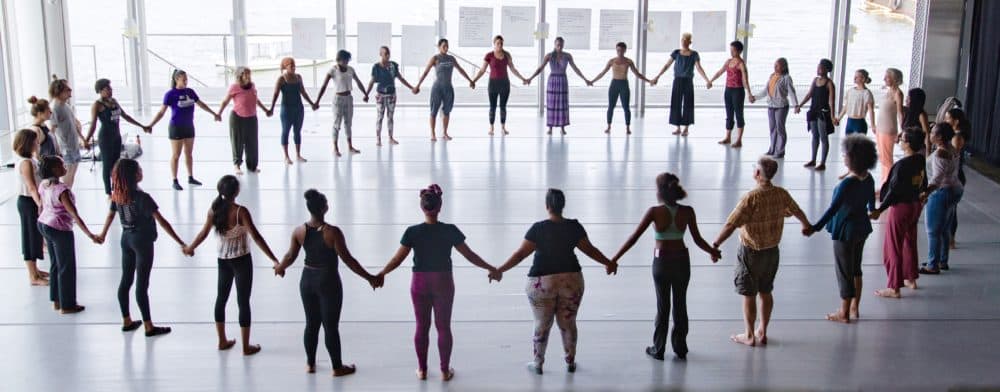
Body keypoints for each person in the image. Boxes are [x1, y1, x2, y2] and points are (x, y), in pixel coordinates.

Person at [376, 185, 498, 381]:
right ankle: (444, 370)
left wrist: (381, 273)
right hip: (443, 281)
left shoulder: (412, 232)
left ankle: (422, 370)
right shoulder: (450, 231)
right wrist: (490, 267)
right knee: (443, 327)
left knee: (421, 326)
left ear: (422, 208)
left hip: (420, 282)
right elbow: (470, 255)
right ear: (440, 207)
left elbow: (397, 260)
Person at [495, 189, 617, 375]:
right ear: (562, 206)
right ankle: (570, 361)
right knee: (568, 322)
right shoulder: (574, 227)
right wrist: (608, 262)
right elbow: (590, 250)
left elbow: (520, 255)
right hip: (572, 280)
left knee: (541, 324)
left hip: (542, 282)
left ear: (547, 206)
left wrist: (500, 270)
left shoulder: (538, 228)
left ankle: (538, 363)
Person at [609, 174, 721, 360]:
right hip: (682, 261)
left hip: (661, 263)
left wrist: (614, 259)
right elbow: (698, 239)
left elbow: (634, 238)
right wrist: (713, 252)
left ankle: (658, 348)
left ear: (660, 191)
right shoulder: (687, 211)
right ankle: (680, 347)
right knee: (680, 305)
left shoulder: (654, 212)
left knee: (663, 307)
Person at [274, 190, 381, 377]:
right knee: (330, 326)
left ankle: (310, 364)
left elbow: (290, 255)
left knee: (311, 324)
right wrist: (370, 277)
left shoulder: (300, 231)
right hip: (328, 281)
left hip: (307, 280)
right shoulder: (332, 233)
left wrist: (280, 267)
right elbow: (349, 260)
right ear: (325, 208)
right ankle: (337, 367)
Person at [711, 157, 811, 346]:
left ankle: (749, 335)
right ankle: (762, 331)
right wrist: (805, 225)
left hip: (751, 252)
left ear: (757, 174)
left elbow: (731, 224)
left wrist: (715, 245)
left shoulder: (751, 197)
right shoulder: (781, 194)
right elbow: (796, 210)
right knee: (766, 290)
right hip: (772, 252)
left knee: (749, 293)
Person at [184, 175, 280, 355]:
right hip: (242, 260)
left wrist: (191, 247)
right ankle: (246, 346)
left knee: (221, 299)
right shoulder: (240, 212)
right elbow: (256, 237)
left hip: (223, 260)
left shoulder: (214, 210)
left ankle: (222, 340)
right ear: (236, 192)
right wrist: (274, 260)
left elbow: (203, 233)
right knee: (243, 302)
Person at [95, 158, 187, 336]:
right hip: (142, 240)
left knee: (126, 281)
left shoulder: (118, 194)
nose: (141, 171)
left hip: (126, 238)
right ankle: (148, 325)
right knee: (142, 285)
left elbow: (110, 216)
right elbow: (163, 222)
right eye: (139, 170)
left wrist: (103, 235)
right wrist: (181, 243)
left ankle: (126, 320)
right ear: (133, 175)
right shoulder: (142, 198)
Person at [807, 135, 878, 323]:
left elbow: (833, 209)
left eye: (846, 154)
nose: (844, 157)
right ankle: (855, 307)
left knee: (844, 270)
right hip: (862, 228)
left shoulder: (846, 184)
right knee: (856, 269)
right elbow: (871, 205)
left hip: (845, 230)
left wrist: (815, 227)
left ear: (853, 159)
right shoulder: (868, 179)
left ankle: (844, 312)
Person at [36, 155, 101, 314]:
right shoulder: (61, 190)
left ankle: (57, 300)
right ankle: (68, 304)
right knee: (66, 266)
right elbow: (74, 215)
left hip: (44, 224)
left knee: (55, 264)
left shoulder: (44, 185)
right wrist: (91, 235)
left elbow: (41, 205)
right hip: (59, 229)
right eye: (60, 165)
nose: (64, 166)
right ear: (53, 169)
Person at [870, 128, 926, 298]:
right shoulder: (919, 160)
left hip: (901, 208)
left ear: (908, 144)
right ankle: (910, 277)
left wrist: (880, 209)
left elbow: (893, 191)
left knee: (893, 246)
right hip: (915, 205)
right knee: (909, 241)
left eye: (902, 139)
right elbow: (924, 181)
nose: (899, 141)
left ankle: (894, 286)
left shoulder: (901, 165)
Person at [146, 70, 221, 190]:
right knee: (176, 155)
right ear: (177, 79)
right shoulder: (170, 94)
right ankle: (174, 179)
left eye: (186, 79)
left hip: (189, 126)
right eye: (183, 79)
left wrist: (214, 113)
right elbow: (161, 112)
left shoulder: (190, 92)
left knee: (189, 153)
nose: (186, 81)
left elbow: (201, 104)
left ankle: (190, 177)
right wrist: (151, 125)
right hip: (176, 127)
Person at [84, 79, 149, 195]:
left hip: (116, 136)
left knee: (116, 163)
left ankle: (117, 187)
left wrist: (142, 125)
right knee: (107, 164)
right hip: (105, 137)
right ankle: (108, 192)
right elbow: (93, 124)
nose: (110, 91)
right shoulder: (98, 105)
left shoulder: (114, 101)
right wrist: (87, 139)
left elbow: (125, 116)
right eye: (107, 89)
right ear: (100, 91)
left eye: (110, 88)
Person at [919, 123, 962, 275]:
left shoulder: (940, 155)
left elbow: (937, 178)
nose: (929, 134)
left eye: (932, 132)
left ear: (939, 137)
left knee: (933, 230)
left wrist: (925, 193)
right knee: (944, 228)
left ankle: (932, 264)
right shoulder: (952, 149)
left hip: (942, 191)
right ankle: (942, 260)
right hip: (955, 189)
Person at [650, 33, 712, 136]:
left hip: (688, 81)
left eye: (686, 39)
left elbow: (699, 68)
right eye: (682, 39)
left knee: (688, 103)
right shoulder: (676, 53)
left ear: (689, 42)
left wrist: (707, 80)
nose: (683, 41)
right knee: (676, 102)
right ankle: (678, 127)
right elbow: (667, 65)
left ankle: (686, 128)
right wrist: (657, 77)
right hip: (677, 80)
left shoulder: (694, 54)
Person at [525, 37, 590, 135]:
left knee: (562, 104)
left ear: (563, 45)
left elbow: (576, 69)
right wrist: (530, 78)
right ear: (554, 44)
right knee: (551, 104)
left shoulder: (567, 56)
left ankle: (562, 127)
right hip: (552, 81)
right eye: (558, 44)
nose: (559, 46)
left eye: (561, 44)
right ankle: (550, 128)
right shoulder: (549, 56)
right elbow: (540, 69)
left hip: (563, 80)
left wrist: (585, 79)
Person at [414, 38, 476, 141]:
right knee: (433, 111)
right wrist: (418, 85)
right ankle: (433, 134)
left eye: (447, 46)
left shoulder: (451, 58)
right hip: (437, 88)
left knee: (447, 111)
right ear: (439, 47)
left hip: (448, 88)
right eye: (444, 46)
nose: (446, 48)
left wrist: (470, 80)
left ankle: (445, 133)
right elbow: (425, 72)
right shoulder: (435, 58)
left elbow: (460, 69)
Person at [471, 35, 528, 136]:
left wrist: (523, 78)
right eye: (498, 43)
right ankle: (491, 128)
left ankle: (503, 128)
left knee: (503, 107)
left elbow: (513, 69)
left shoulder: (507, 55)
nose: (500, 45)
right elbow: (482, 70)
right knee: (492, 107)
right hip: (493, 84)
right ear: (494, 44)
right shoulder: (489, 55)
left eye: (501, 43)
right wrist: (474, 80)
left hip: (504, 83)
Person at [219, 67, 272, 175]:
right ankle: (237, 165)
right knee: (237, 142)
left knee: (252, 143)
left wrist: (266, 110)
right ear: (240, 76)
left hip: (251, 118)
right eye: (246, 74)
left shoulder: (252, 86)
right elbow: (225, 101)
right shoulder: (235, 87)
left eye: (249, 74)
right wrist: (219, 113)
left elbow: (256, 100)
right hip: (237, 118)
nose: (248, 76)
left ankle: (252, 166)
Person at [13, 129, 49, 286]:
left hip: (32, 201)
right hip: (28, 202)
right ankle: (32, 275)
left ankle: (36, 270)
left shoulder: (31, 159)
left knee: (36, 236)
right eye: (35, 141)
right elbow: (32, 187)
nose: (37, 143)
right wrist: (40, 204)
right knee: (30, 237)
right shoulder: (26, 163)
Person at [316, 50, 368, 156]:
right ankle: (335, 148)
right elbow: (324, 86)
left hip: (348, 98)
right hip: (338, 99)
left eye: (347, 60)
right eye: (344, 60)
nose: (346, 62)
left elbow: (358, 82)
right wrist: (317, 101)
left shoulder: (350, 69)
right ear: (339, 59)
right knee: (337, 124)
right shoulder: (333, 70)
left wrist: (365, 93)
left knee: (348, 123)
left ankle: (350, 146)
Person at [591, 42, 649, 135]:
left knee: (626, 107)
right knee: (611, 106)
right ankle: (609, 126)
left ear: (625, 50)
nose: (620, 52)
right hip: (614, 84)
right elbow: (602, 73)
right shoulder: (612, 61)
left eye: (622, 50)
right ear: (616, 50)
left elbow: (637, 74)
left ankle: (628, 127)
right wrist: (592, 81)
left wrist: (649, 81)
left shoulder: (629, 61)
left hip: (624, 84)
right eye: (618, 50)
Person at [269, 57, 318, 164]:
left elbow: (303, 92)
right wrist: (271, 108)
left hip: (298, 108)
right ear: (286, 67)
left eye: (294, 65)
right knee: (285, 131)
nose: (294, 68)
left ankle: (298, 154)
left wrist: (312, 104)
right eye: (291, 66)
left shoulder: (298, 77)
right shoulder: (282, 79)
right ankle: (286, 156)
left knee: (297, 131)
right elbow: (275, 94)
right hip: (286, 109)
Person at [364, 47, 416, 146]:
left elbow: (401, 78)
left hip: (391, 95)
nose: (388, 55)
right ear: (381, 54)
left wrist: (411, 87)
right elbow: (372, 81)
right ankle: (378, 139)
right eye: (385, 53)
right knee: (380, 117)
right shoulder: (376, 67)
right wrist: (366, 94)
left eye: (389, 53)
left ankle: (390, 138)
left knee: (390, 117)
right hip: (380, 95)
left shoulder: (393, 66)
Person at [708, 41, 754, 147]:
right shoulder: (728, 61)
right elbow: (720, 72)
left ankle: (739, 140)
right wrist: (711, 81)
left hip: (738, 91)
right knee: (729, 115)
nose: (731, 52)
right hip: (728, 90)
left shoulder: (741, 64)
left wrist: (749, 93)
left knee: (739, 115)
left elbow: (745, 80)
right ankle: (728, 137)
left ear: (739, 51)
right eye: (731, 50)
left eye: (733, 50)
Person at [796, 59, 837, 171]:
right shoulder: (815, 80)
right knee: (815, 136)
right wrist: (800, 105)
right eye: (818, 67)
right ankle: (813, 159)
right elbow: (809, 94)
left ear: (826, 69)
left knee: (823, 137)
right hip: (814, 110)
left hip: (823, 112)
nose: (818, 69)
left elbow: (831, 101)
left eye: (821, 68)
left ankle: (823, 162)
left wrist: (832, 116)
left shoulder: (829, 83)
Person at [755, 58, 798, 158]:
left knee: (780, 129)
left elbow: (792, 92)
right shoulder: (772, 76)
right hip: (771, 105)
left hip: (781, 106)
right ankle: (772, 149)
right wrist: (755, 97)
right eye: (774, 65)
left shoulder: (787, 78)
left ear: (783, 67)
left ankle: (780, 151)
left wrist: (796, 105)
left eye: (777, 66)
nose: (775, 67)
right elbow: (766, 91)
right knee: (772, 128)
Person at [48, 76, 86, 188]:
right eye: (67, 90)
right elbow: (52, 130)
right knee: (67, 175)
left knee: (72, 174)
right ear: (59, 92)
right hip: (65, 148)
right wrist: (57, 149)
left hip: (73, 145)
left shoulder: (66, 106)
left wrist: (82, 139)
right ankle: (63, 199)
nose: (70, 91)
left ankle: (68, 195)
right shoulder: (55, 108)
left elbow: (74, 123)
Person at [944, 108, 970, 249]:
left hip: (956, 176)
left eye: (948, 118)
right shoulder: (954, 135)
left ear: (956, 121)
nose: (946, 120)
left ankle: (951, 239)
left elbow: (952, 158)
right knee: (950, 209)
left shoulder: (956, 137)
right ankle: (950, 238)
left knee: (951, 210)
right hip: (956, 175)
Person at [876, 68, 905, 187]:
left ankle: (887, 186)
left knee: (887, 159)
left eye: (887, 77)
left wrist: (901, 129)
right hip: (880, 128)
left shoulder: (897, 93)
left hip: (888, 130)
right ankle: (884, 183)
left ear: (894, 79)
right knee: (883, 159)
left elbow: (900, 112)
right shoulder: (888, 92)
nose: (884, 79)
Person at [834, 69, 876, 135]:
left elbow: (871, 110)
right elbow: (846, 107)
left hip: (859, 122)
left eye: (857, 77)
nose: (854, 78)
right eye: (855, 76)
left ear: (863, 79)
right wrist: (838, 119)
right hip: (849, 121)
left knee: (859, 144)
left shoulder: (867, 93)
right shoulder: (850, 91)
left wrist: (873, 125)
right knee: (848, 144)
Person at [901, 88, 930, 154]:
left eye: (908, 99)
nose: (906, 100)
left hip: (917, 151)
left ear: (915, 100)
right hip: (908, 149)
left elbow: (927, 135)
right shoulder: (909, 112)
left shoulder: (921, 115)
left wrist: (928, 153)